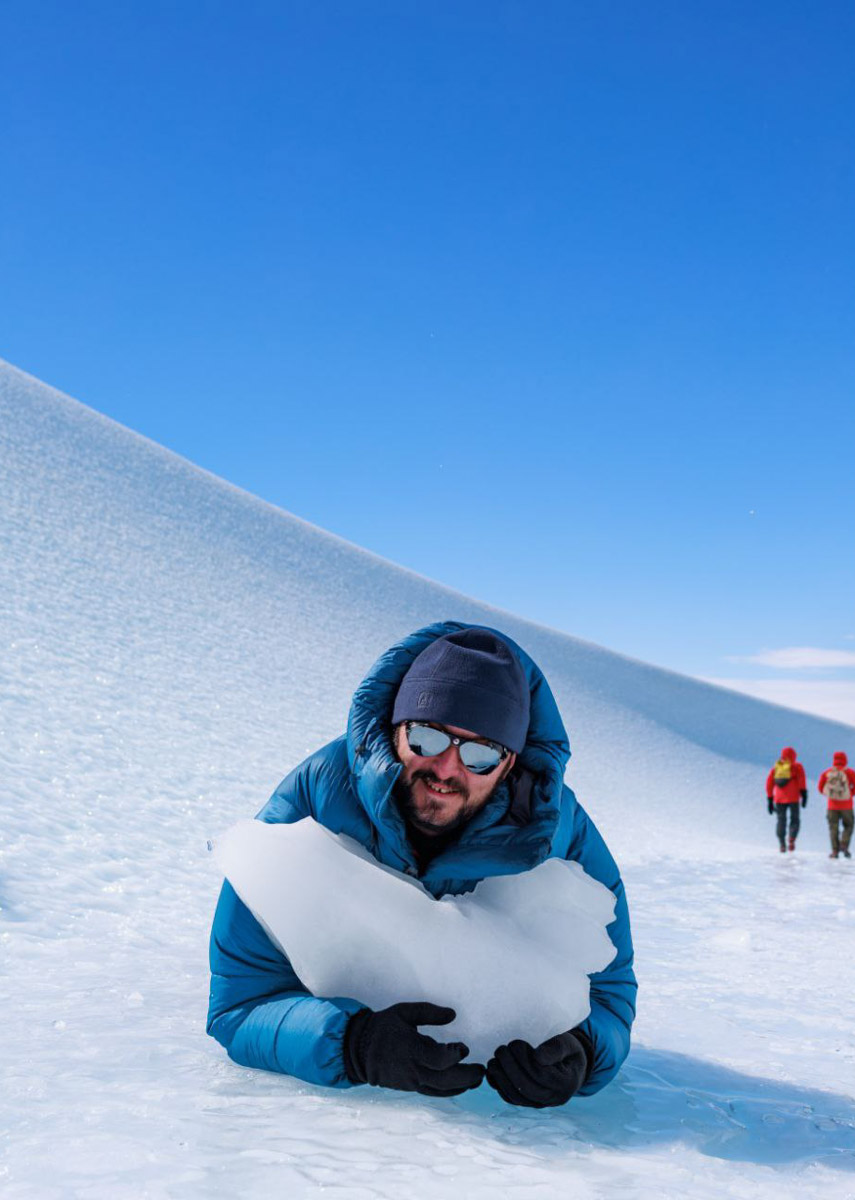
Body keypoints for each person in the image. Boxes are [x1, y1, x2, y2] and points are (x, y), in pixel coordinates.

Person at [207, 622, 636, 1108]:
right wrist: (354, 1044)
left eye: (479, 753)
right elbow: (239, 1006)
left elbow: (610, 994)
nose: (447, 768)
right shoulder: (316, 802)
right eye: (428, 737)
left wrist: (581, 1051)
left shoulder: (559, 834)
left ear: (510, 763)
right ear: (395, 730)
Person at [766, 746, 808, 852]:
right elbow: (802, 780)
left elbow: (769, 783)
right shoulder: (797, 766)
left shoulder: (776, 767)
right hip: (793, 798)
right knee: (795, 819)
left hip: (779, 799)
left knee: (781, 820)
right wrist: (804, 794)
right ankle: (792, 839)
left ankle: (782, 844)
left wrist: (770, 799)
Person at [817, 751, 855, 859]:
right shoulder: (850, 773)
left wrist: (831, 795)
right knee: (849, 825)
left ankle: (835, 851)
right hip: (847, 806)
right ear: (845, 760)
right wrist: (849, 795)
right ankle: (844, 844)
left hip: (832, 806)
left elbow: (820, 788)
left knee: (833, 827)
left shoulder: (827, 772)